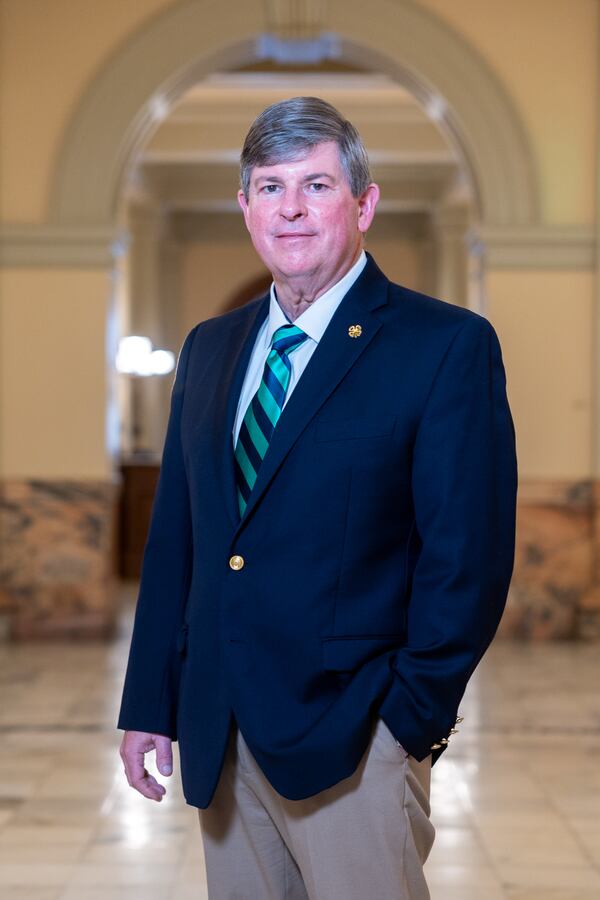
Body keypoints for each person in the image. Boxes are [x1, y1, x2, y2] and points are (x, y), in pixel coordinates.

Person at [118, 96, 517, 899]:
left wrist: (410, 722)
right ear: (245, 208)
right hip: (221, 731)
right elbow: (179, 542)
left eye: (317, 186)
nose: (291, 209)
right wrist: (149, 701)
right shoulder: (209, 347)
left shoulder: (444, 346)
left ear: (363, 203)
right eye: (270, 187)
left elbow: (465, 557)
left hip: (357, 735)